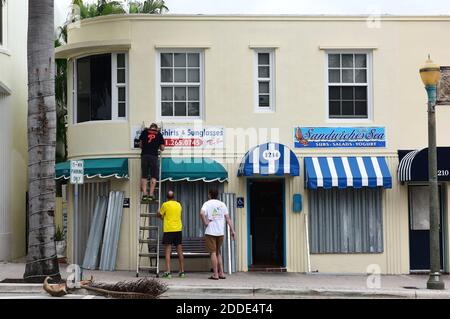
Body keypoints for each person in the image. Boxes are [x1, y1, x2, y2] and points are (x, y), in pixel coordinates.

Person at [200, 189, 236, 280]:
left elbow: (201, 213)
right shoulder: (222, 204)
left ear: (209, 195)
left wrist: (205, 222)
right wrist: (232, 231)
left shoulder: (207, 203)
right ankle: (222, 273)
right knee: (218, 252)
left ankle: (215, 274)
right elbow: (228, 218)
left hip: (211, 231)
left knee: (212, 252)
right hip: (220, 232)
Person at [158, 191, 185, 278]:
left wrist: (158, 213)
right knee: (180, 251)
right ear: (174, 196)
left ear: (166, 197)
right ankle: (182, 271)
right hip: (178, 229)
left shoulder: (165, 205)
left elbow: (160, 215)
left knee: (167, 251)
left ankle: (168, 272)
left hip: (169, 229)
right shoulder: (178, 204)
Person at [139, 123, 165, 202]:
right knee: (153, 176)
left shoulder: (144, 132)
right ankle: (150, 195)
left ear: (150, 128)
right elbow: (162, 148)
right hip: (154, 156)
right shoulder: (159, 134)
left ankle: (144, 194)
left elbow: (140, 145)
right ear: (156, 128)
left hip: (144, 155)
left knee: (144, 176)